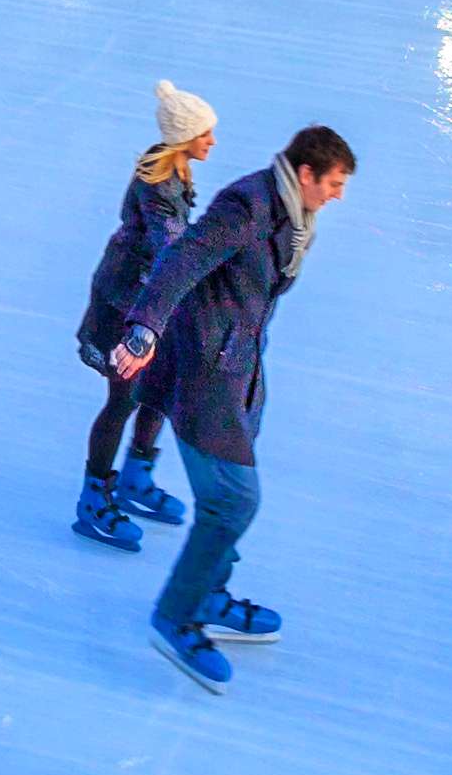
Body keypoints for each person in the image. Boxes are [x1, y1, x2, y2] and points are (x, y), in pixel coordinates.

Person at [107, 122, 355, 688]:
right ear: (307, 174)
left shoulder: (292, 216)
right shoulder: (247, 206)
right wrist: (145, 327)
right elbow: (181, 260)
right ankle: (176, 614)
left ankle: (211, 592)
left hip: (239, 367)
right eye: (335, 183)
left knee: (230, 497)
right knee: (232, 501)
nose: (338, 195)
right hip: (203, 371)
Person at [72, 85, 213, 549]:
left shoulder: (176, 169)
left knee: (158, 391)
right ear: (183, 136)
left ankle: (136, 474)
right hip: (125, 305)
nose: (212, 141)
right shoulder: (158, 184)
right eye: (205, 134)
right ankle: (94, 497)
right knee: (124, 397)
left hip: (152, 301)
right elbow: (171, 247)